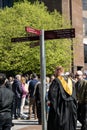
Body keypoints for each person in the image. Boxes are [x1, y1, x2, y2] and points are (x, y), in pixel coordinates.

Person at [47, 66, 77, 130]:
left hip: (61, 107)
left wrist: (54, 109)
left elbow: (52, 96)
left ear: (59, 71)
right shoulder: (70, 81)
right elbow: (74, 95)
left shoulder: (56, 81)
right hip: (71, 107)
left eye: (55, 71)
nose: (54, 73)